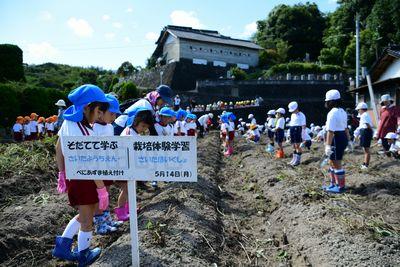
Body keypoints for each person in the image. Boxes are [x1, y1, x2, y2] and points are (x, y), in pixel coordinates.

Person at [52, 84, 110, 265]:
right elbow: (90, 164)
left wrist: (62, 173)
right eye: (99, 111)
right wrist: (102, 188)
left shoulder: (69, 122)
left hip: (74, 174)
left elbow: (58, 148)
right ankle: (83, 254)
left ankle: (62, 246)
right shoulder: (84, 131)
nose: (100, 116)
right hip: (85, 178)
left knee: (86, 213)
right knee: (87, 220)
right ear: (87, 107)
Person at [92, 94, 123, 233]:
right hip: (98, 167)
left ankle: (107, 218)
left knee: (107, 192)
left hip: (108, 165)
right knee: (100, 195)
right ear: (100, 112)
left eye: (115, 114)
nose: (114, 117)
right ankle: (100, 223)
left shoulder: (110, 127)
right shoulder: (93, 128)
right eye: (111, 114)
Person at [323, 89, 350, 193]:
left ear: (331, 101)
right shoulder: (342, 111)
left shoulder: (332, 113)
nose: (326, 103)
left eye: (327, 101)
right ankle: (333, 183)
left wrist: (327, 146)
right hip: (342, 136)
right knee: (332, 162)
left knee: (337, 162)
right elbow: (346, 128)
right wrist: (349, 140)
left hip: (336, 138)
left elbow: (330, 131)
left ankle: (340, 187)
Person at [355, 102, 373, 170]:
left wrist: (371, 131)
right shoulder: (364, 115)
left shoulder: (364, 115)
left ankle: (366, 165)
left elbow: (367, 124)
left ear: (361, 109)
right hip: (365, 131)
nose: (358, 111)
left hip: (366, 131)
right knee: (365, 149)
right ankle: (364, 163)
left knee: (366, 149)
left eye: (358, 109)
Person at [288, 101, 306, 166]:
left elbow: (303, 126)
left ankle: (297, 161)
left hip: (298, 129)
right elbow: (291, 123)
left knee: (297, 146)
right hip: (292, 129)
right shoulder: (292, 115)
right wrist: (289, 134)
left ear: (296, 108)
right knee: (293, 146)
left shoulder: (302, 115)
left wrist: (303, 136)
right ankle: (294, 159)